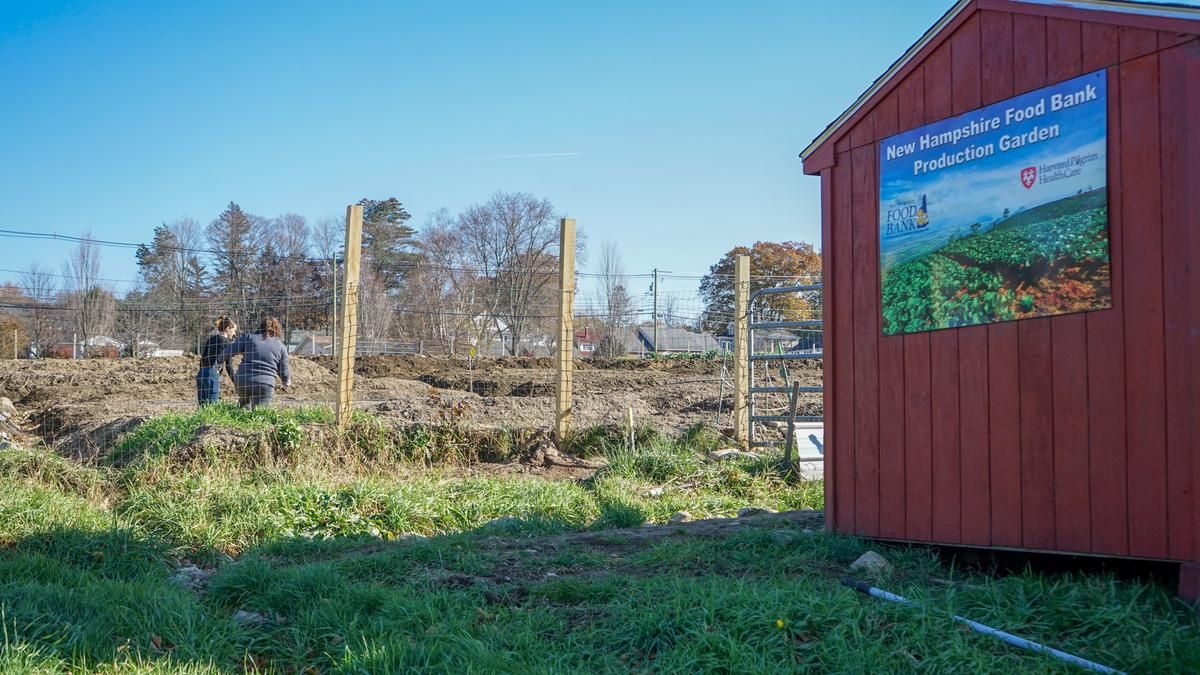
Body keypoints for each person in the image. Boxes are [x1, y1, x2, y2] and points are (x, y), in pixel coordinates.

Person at [224, 316, 291, 409]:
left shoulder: (249, 337)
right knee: (260, 412)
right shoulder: (281, 347)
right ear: (277, 329)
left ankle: (241, 413)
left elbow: (229, 350)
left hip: (242, 381)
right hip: (264, 383)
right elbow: (283, 369)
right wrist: (286, 382)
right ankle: (254, 416)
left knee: (244, 403)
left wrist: (218, 361)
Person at [197, 316, 237, 405]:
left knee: (202, 406)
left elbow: (202, 359)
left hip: (202, 373)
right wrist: (236, 382)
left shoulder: (211, 339)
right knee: (212, 406)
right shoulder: (227, 343)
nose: (234, 333)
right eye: (233, 330)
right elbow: (228, 366)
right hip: (212, 374)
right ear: (227, 329)